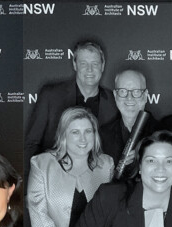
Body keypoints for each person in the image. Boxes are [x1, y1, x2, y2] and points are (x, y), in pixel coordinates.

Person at [28, 107, 114, 227]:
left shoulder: (106, 165)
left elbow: (109, 218)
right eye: (75, 132)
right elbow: (38, 213)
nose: (82, 139)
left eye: (88, 131)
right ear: (63, 135)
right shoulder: (42, 164)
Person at [24, 40, 118, 171]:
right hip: (54, 177)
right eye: (83, 64)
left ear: (102, 66)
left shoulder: (115, 101)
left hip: (97, 181)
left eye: (95, 64)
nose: (89, 70)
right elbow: (31, 143)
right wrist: (29, 186)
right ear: (75, 65)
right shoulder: (50, 95)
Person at [100, 69, 158, 169]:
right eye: (122, 91)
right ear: (115, 95)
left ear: (145, 96)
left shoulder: (164, 133)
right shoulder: (102, 135)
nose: (129, 98)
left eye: (136, 91)